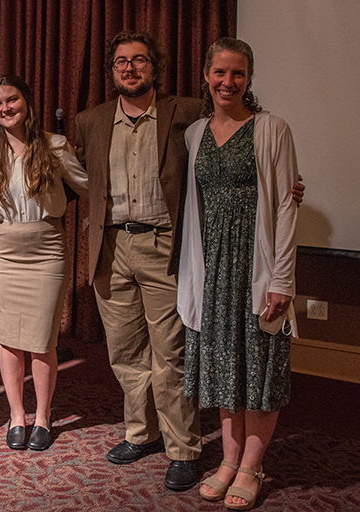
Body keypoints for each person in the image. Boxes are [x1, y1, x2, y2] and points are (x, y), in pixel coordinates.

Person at [74, 31, 205, 490]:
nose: (129, 69)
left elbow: (242, 135)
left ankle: (184, 448)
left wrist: (281, 177)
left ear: (155, 67)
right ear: (111, 71)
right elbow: (72, 175)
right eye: (121, 63)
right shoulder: (90, 120)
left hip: (165, 246)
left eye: (139, 61)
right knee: (126, 352)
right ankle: (141, 432)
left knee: (171, 354)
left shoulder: (187, 112)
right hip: (111, 248)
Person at [177, 37, 298, 511]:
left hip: (258, 266)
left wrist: (282, 279)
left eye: (238, 74)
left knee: (261, 368)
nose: (228, 82)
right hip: (213, 269)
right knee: (227, 368)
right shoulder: (194, 133)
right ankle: (228, 461)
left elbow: (287, 205)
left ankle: (252, 465)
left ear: (250, 78)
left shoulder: (272, 128)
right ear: (207, 76)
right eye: (220, 73)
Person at [0, 76, 87, 451]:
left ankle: (42, 415)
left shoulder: (54, 145)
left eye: (13, 100)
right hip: (5, 249)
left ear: (27, 103)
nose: (6, 108)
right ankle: (16, 415)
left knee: (42, 340)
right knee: (8, 338)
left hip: (46, 248)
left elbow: (87, 184)